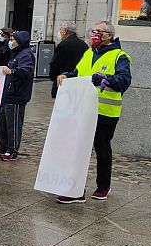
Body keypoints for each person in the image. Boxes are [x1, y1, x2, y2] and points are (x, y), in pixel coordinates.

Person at [56, 21, 132, 203]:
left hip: (105, 112)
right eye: (93, 31)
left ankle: (103, 185)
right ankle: (76, 190)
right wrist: (66, 75)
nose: (94, 35)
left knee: (102, 149)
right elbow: (78, 73)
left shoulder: (120, 56)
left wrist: (107, 78)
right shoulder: (89, 53)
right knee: (78, 149)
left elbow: (124, 81)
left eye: (98, 32)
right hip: (83, 110)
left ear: (109, 36)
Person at [0, 31, 35, 161]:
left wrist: (12, 71)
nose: (11, 42)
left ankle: (12, 150)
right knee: (3, 123)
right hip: (8, 93)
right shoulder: (16, 53)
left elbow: (26, 71)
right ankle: (3, 146)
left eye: (13, 40)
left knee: (13, 124)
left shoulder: (26, 54)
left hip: (17, 95)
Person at [48, 22, 88, 98]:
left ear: (65, 31)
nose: (59, 32)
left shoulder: (63, 44)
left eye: (60, 29)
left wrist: (53, 77)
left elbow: (55, 64)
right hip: (78, 82)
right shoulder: (84, 44)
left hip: (63, 81)